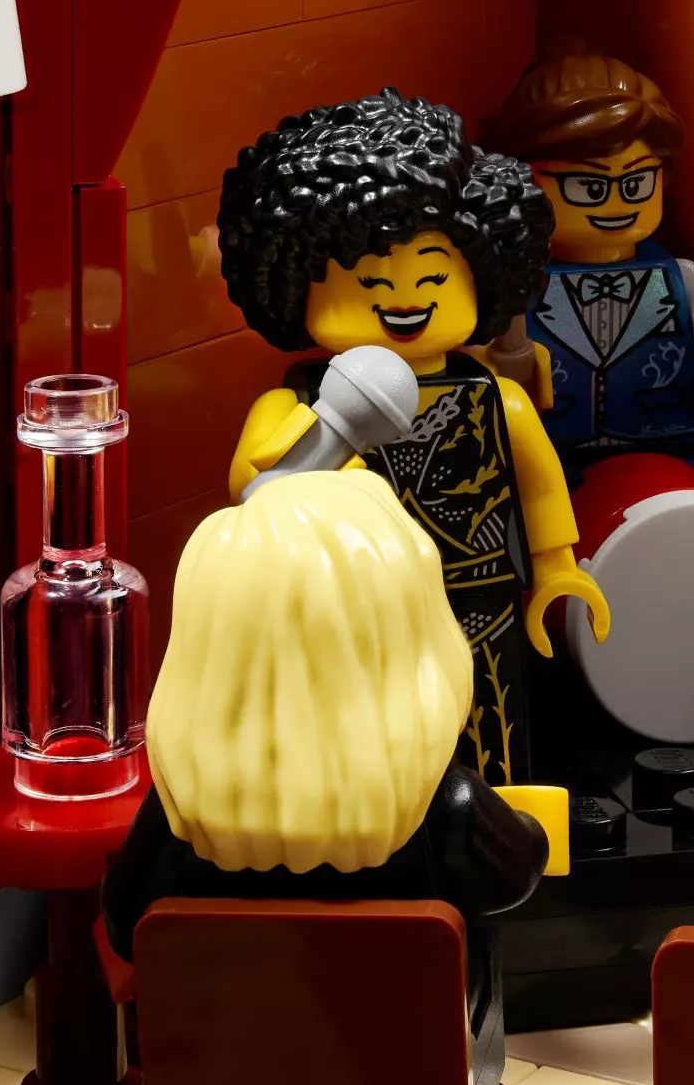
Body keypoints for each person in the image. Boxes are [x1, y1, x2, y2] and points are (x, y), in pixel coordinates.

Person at [103, 466, 564, 1085]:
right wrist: (522, 825)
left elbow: (126, 927)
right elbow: (514, 875)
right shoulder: (445, 812)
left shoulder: (180, 817)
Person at [218, 88, 609, 780]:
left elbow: (539, 484)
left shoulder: (496, 400)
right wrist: (323, 435)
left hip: (477, 595)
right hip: (355, 608)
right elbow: (251, 482)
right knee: (371, 738)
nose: (405, 300)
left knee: (490, 725)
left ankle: (496, 811)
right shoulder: (299, 402)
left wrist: (556, 567)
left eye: (434, 276)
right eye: (369, 283)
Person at [483, 44, 694, 471]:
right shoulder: (516, 283)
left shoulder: (679, 276)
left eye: (636, 182)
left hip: (664, 455)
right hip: (549, 460)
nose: (615, 202)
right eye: (588, 186)